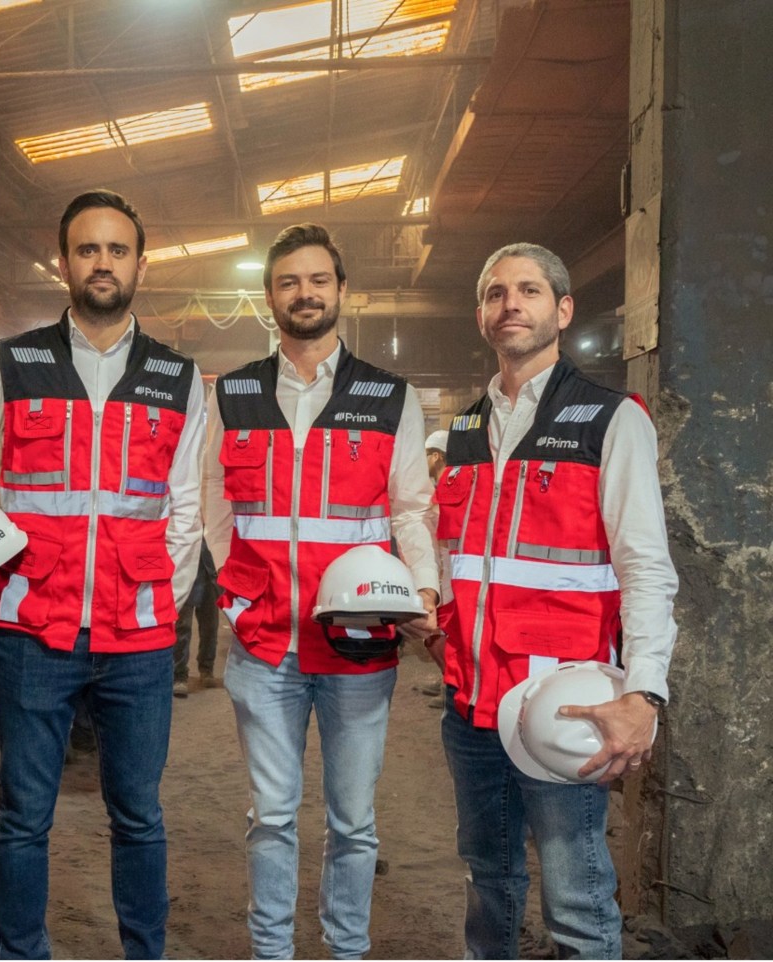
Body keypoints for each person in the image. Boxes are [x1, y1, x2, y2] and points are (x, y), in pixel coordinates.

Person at [0, 189, 205, 960]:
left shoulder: (178, 377)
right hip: (34, 628)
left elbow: (188, 508)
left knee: (139, 816)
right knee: (25, 817)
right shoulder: (15, 362)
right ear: (63, 262)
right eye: (87, 249)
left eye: (117, 250)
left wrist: (158, 602)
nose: (103, 263)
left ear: (140, 264)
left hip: (137, 639)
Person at [433, 243, 677, 959]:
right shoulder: (466, 428)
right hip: (472, 706)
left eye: (530, 290)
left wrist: (645, 692)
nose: (511, 303)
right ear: (481, 315)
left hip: (563, 705)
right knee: (489, 882)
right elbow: (457, 555)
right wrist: (441, 629)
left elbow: (646, 566)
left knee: (577, 900)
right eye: (496, 292)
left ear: (563, 310)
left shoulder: (611, 419)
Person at [203, 223, 440, 960]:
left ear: (341, 290)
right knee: (272, 817)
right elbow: (213, 504)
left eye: (317, 280)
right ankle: (271, 952)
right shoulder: (234, 393)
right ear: (269, 296)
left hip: (358, 642)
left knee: (354, 823)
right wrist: (235, 593)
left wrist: (423, 591)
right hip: (265, 644)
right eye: (288, 282)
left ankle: (346, 951)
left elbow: (411, 509)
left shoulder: (389, 396)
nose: (303, 293)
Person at [171, 539, 219, 697]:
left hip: (209, 576)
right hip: (184, 576)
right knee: (182, 628)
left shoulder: (213, 523)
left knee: (210, 627)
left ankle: (207, 669)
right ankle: (179, 675)